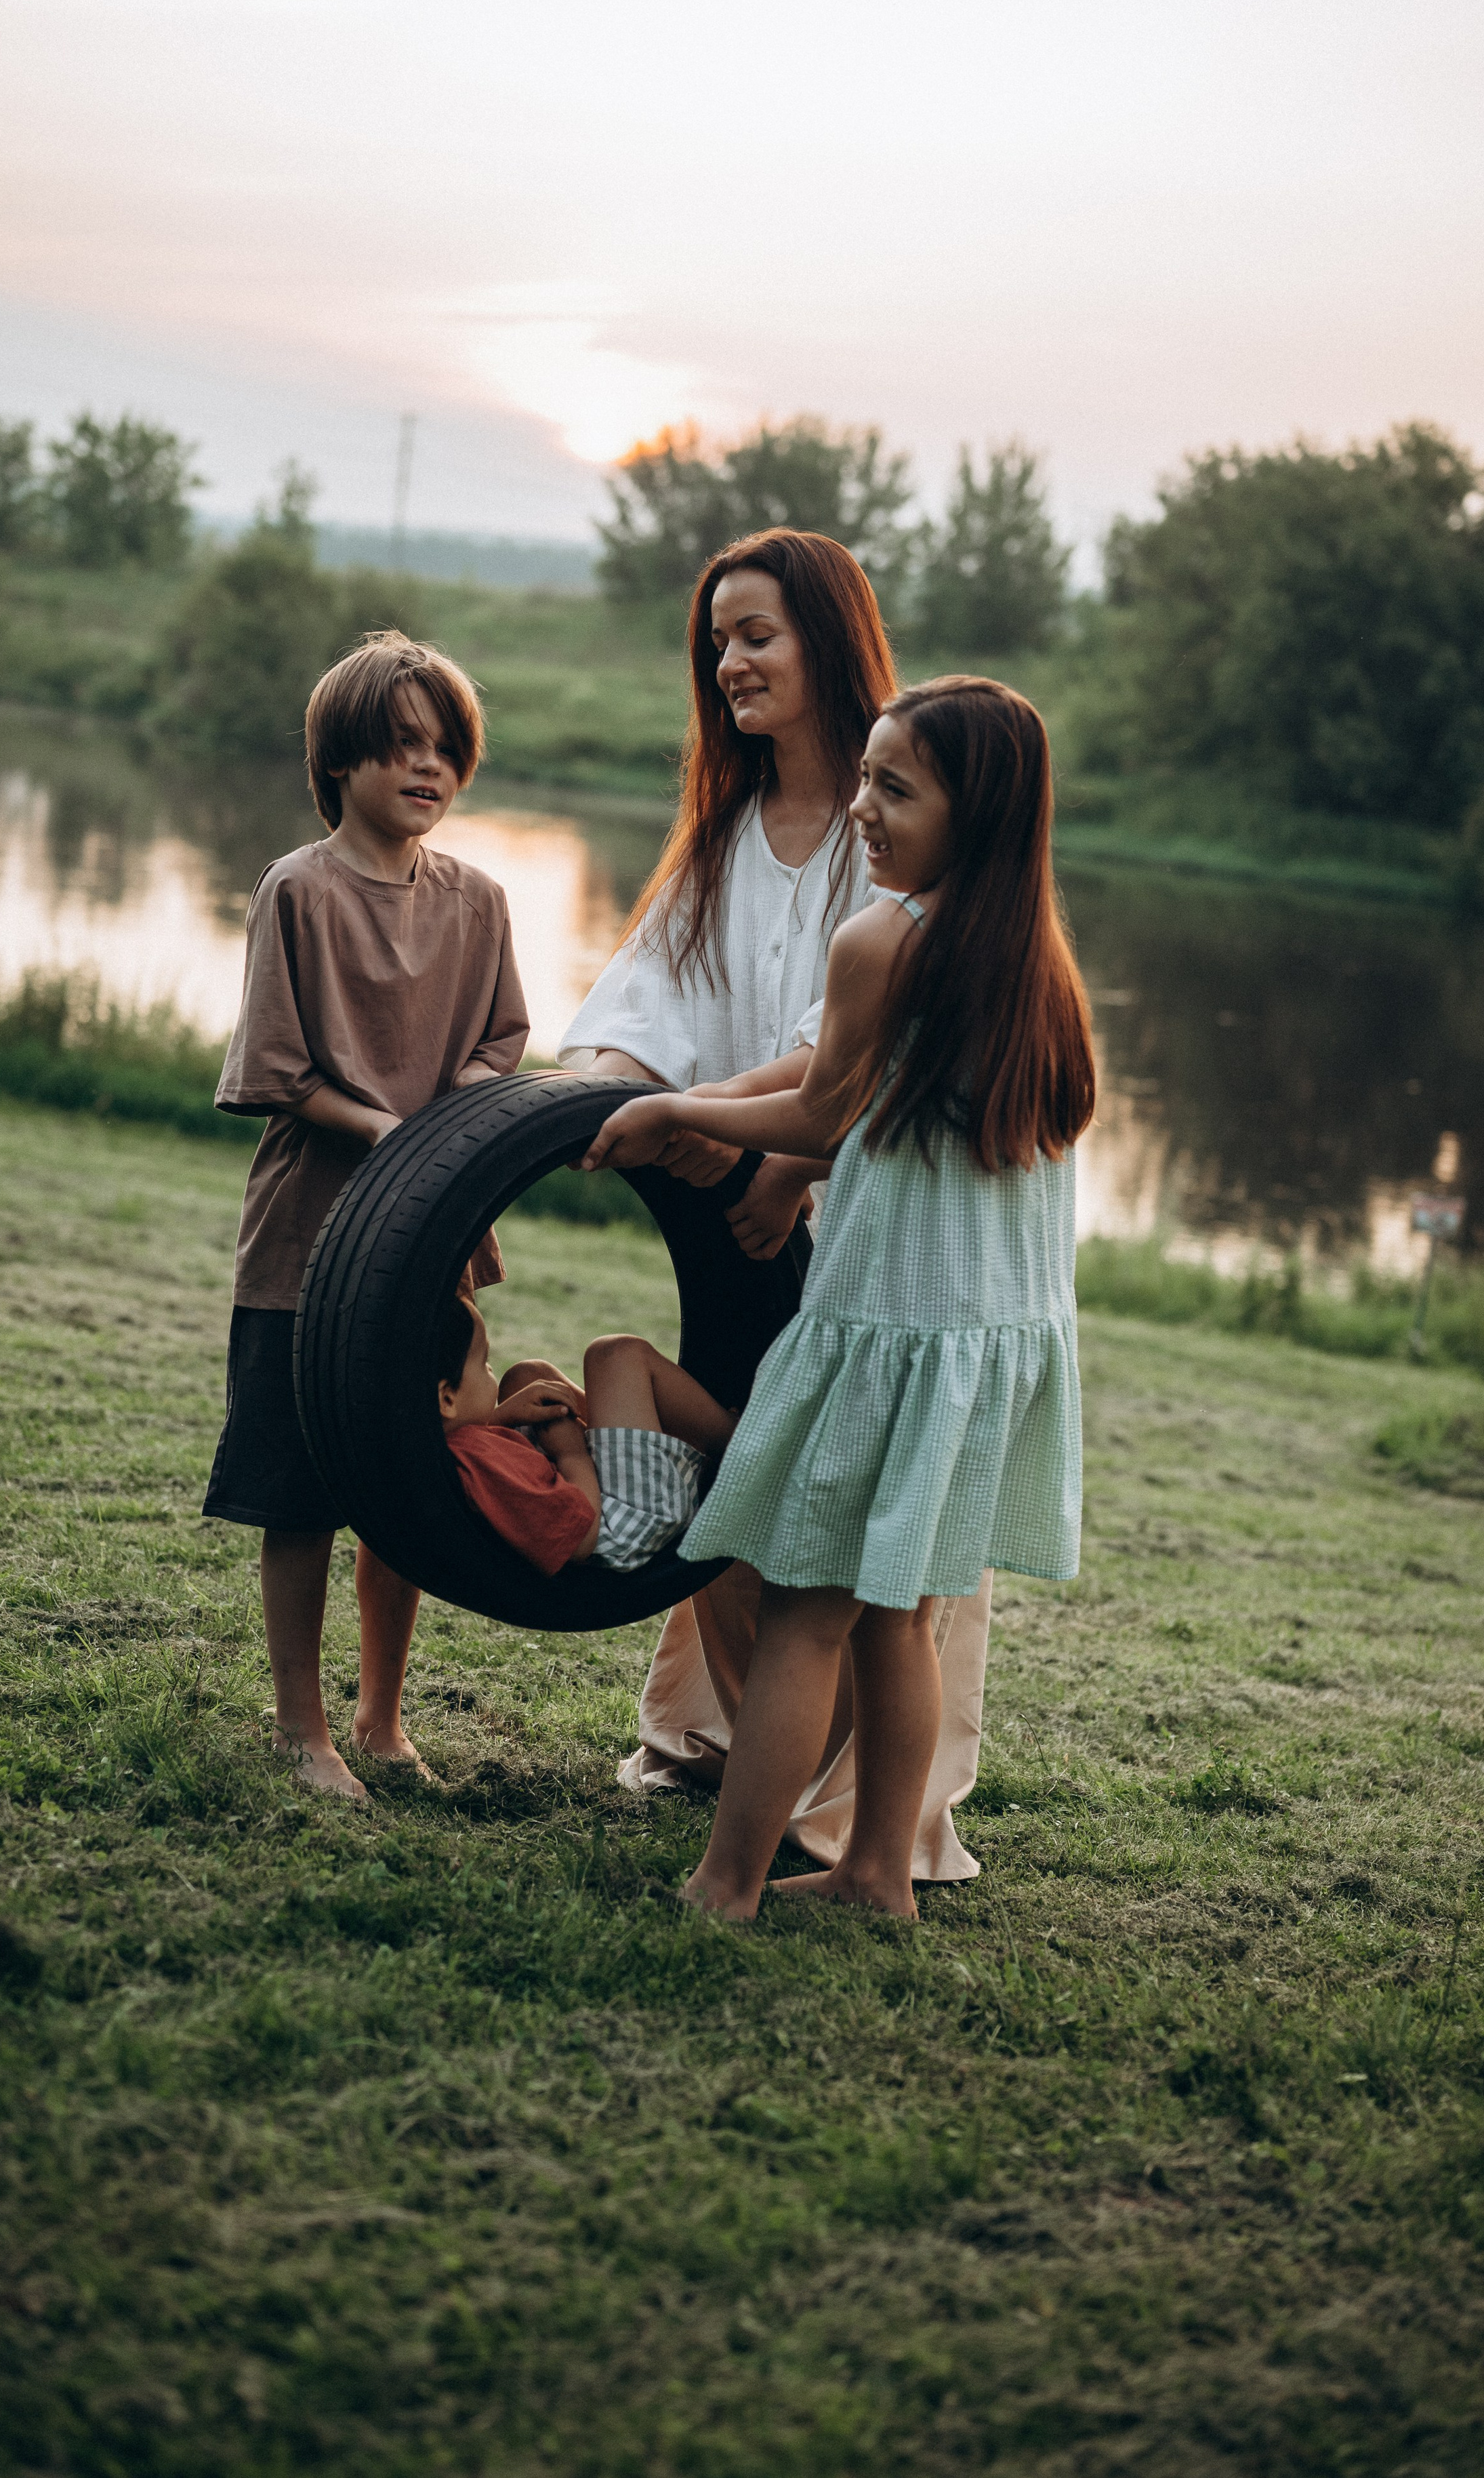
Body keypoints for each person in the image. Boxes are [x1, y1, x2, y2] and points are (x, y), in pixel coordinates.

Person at [583, 676, 1094, 1917]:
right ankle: (877, 1874)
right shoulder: (1036, 967)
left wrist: (672, 1107)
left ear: (977, 812)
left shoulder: (882, 942)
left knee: (809, 1611)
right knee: (901, 1618)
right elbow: (859, 1101)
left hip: (891, 1334)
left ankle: (728, 1883)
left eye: (895, 788)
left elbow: (820, 1109)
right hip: (989, 1344)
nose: (862, 807)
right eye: (865, 776)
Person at [559, 529, 993, 1881]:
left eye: (757, 635)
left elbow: (858, 1049)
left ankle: (859, 1820)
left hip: (872, 1228)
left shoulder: (904, 827)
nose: (729, 661)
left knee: (858, 1540)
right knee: (751, 1480)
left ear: (828, 639)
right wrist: (605, 1090)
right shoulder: (726, 834)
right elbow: (644, 1000)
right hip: (743, 1211)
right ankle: (712, 1742)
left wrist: (781, 1153)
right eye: (715, 642)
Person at [204, 632, 529, 1803]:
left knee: (406, 1489)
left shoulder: (482, 902)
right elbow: (280, 1068)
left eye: (445, 750)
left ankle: (384, 1723)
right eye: (400, 749)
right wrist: (395, 1134)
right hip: (311, 1242)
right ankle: (304, 1731)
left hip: (430, 1245)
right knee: (301, 1494)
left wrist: (463, 1120)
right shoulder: (299, 890)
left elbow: (501, 1044)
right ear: (340, 761)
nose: (427, 769)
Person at [434, 1297, 735, 1573]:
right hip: (622, 1520)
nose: (491, 1371)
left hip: (593, 1498)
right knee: (615, 1354)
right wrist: (572, 1454)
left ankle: (669, 1436)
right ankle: (742, 1440)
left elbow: (470, 1443)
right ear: (448, 1399)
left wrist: (503, 1415)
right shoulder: (483, 1462)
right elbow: (580, 1542)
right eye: (485, 1364)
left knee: (526, 1375)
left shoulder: (447, 1446)